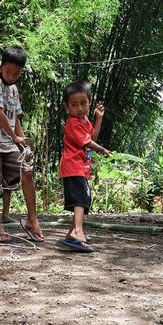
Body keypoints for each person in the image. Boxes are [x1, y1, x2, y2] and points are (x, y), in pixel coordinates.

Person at [0, 45, 43, 243]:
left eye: (16, 73)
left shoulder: (13, 90)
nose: (12, 76)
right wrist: (15, 137)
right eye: (8, 71)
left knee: (27, 172)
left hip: (8, 141)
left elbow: (15, 118)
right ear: (0, 66)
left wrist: (22, 142)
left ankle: (32, 220)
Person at [57, 81, 111, 252]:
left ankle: (70, 234)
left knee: (84, 199)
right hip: (72, 166)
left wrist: (98, 118)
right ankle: (78, 231)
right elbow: (87, 142)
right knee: (80, 199)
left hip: (80, 167)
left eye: (83, 103)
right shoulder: (72, 123)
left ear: (89, 101)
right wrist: (102, 149)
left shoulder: (84, 119)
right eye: (74, 105)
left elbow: (91, 136)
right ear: (66, 106)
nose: (79, 108)